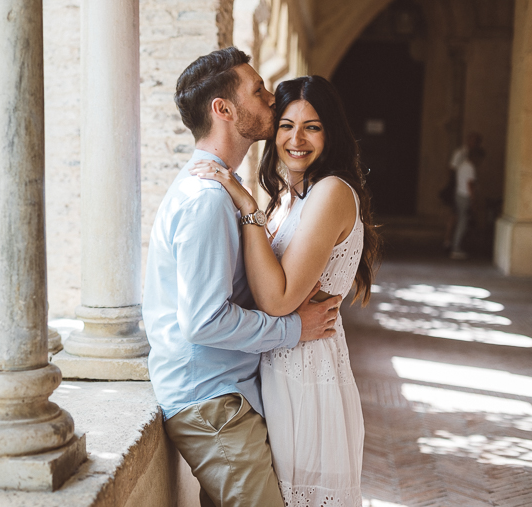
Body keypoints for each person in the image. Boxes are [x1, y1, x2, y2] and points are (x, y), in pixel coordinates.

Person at [142, 48, 343, 507]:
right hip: (211, 405)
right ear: (224, 110)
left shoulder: (220, 189)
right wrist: (295, 328)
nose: (272, 98)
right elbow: (203, 321)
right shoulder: (207, 200)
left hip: (225, 398)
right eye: (258, 90)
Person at [191, 75, 380, 506]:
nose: (297, 139)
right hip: (279, 368)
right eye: (286, 125)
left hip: (309, 377)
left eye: (312, 126)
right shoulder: (292, 198)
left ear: (330, 133)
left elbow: (276, 299)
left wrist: (246, 205)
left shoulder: (330, 192)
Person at [442, 132, 483, 252]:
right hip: (459, 188)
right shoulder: (461, 153)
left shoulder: (472, 158)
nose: (474, 144)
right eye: (473, 141)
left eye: (477, 142)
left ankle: (456, 243)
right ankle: (449, 242)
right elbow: (452, 169)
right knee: (455, 217)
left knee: (460, 217)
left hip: (461, 188)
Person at [449, 145, 482, 259]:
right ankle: (456, 248)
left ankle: (456, 246)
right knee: (462, 223)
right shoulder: (470, 167)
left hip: (459, 194)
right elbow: (470, 185)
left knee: (461, 221)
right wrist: (473, 200)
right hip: (464, 196)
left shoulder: (462, 165)